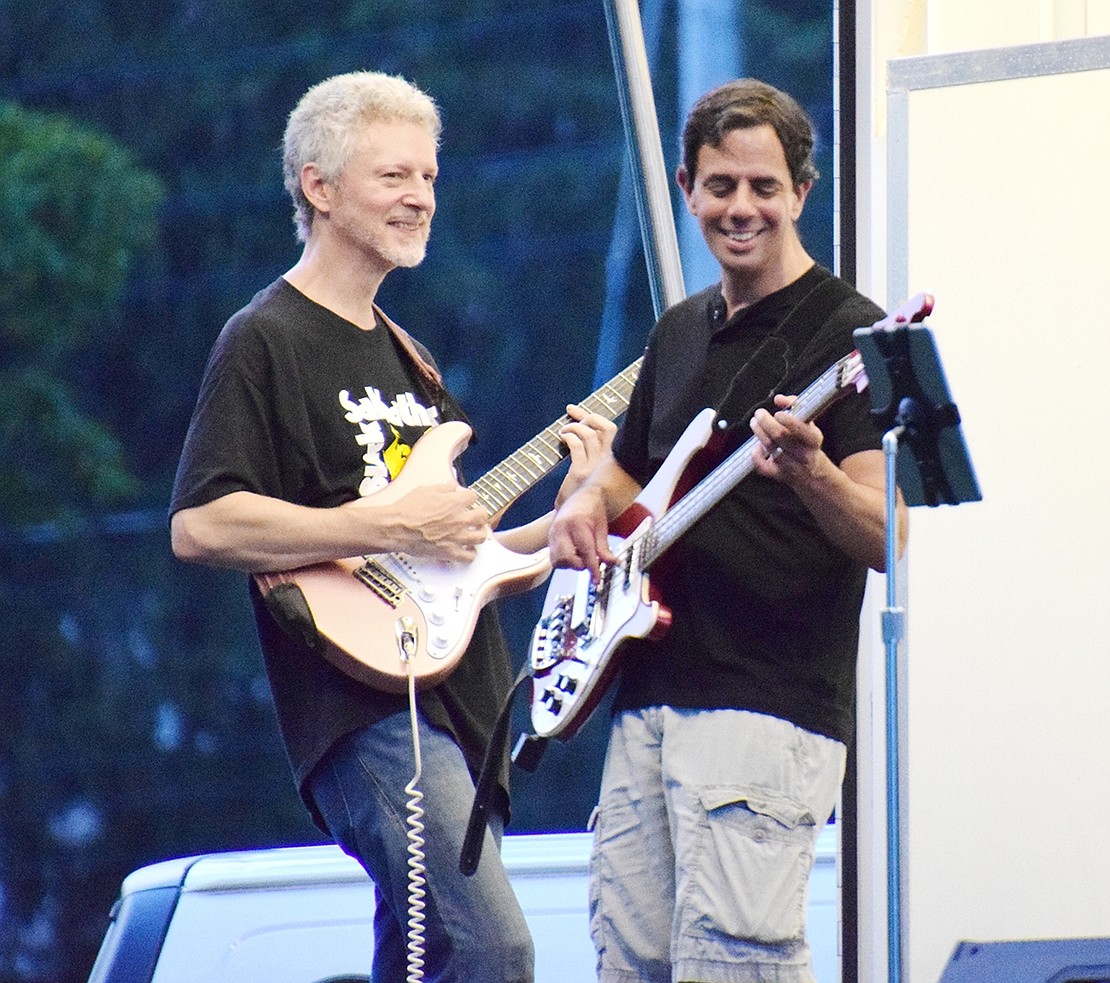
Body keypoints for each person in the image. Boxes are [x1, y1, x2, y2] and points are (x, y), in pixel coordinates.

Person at [169, 70, 615, 983]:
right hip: (366, 707)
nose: (421, 198)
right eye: (394, 177)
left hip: (460, 699)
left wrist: (567, 514)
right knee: (494, 950)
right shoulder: (264, 338)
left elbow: (464, 549)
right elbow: (202, 523)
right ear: (317, 186)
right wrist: (378, 523)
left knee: (422, 962)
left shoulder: (409, 353)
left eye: (430, 177)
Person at [547, 79, 908, 983]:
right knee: (629, 963)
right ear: (686, 187)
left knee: (732, 967)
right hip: (646, 694)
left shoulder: (851, 333)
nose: (740, 208)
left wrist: (811, 469)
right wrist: (585, 505)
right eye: (719, 186)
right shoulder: (677, 333)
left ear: (801, 193)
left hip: (766, 706)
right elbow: (626, 478)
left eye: (762, 186)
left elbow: (888, 534)